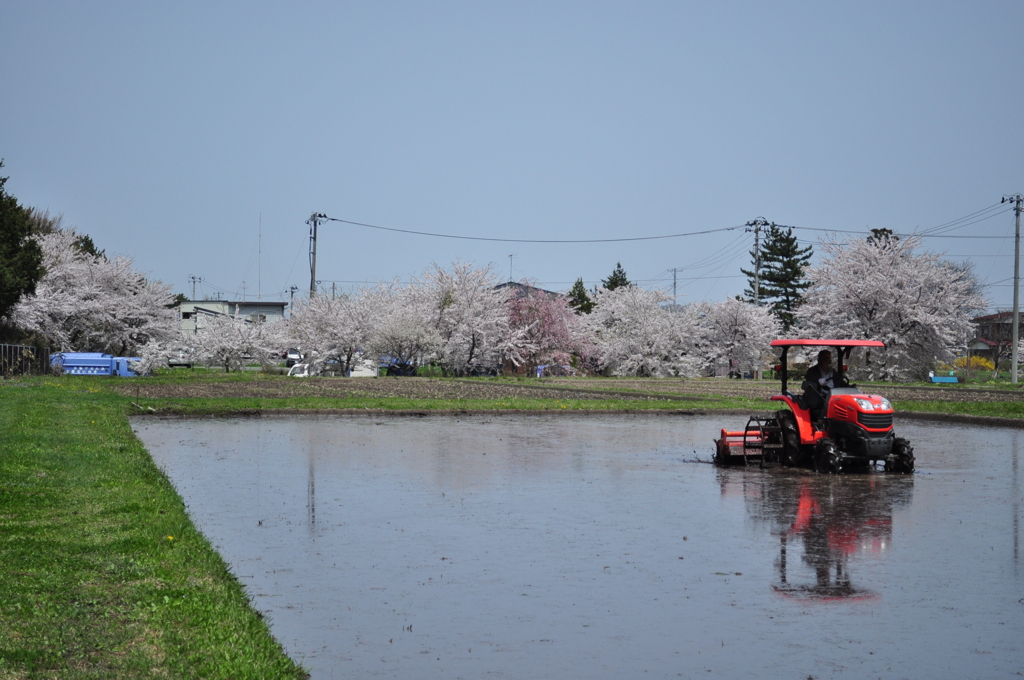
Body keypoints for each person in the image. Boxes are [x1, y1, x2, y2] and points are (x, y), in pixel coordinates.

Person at [802, 350, 836, 421]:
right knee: (825, 404)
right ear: (819, 360)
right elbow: (811, 379)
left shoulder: (833, 372)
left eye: (826, 359)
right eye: (823, 359)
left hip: (835, 395)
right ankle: (822, 421)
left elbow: (840, 382)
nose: (824, 361)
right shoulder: (812, 371)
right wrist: (818, 381)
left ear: (829, 361)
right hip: (820, 396)